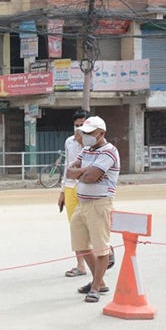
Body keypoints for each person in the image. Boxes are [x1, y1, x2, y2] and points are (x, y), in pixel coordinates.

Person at [65, 116, 120, 304]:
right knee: (81, 245)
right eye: (84, 133)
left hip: (100, 204)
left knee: (101, 248)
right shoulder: (87, 150)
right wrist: (85, 171)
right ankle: (100, 281)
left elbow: (90, 177)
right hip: (82, 204)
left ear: (101, 133)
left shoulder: (109, 152)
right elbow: (70, 172)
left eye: (89, 133)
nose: (85, 136)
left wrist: (82, 172)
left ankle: (95, 287)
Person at [59, 109, 89, 278]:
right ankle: (80, 264)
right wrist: (62, 191)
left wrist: (84, 142)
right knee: (75, 227)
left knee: (90, 224)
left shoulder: (95, 143)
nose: (78, 129)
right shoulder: (69, 142)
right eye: (76, 125)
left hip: (87, 187)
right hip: (71, 187)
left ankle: (103, 254)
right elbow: (66, 166)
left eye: (82, 125)